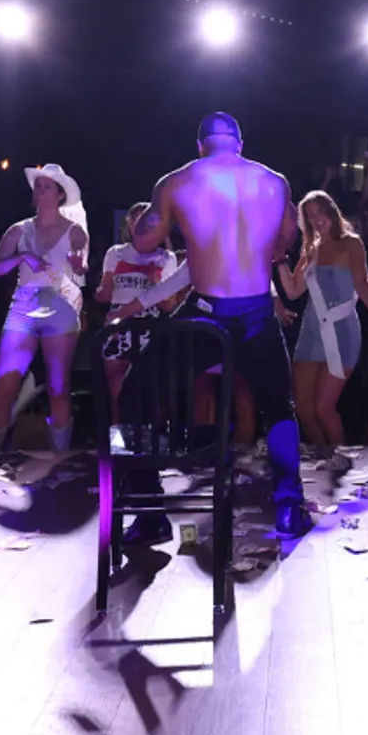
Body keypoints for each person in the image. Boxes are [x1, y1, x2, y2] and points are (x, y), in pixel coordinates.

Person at [130, 111, 311, 540]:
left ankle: (151, 512)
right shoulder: (274, 181)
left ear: (200, 145)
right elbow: (287, 235)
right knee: (277, 405)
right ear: (240, 144)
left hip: (206, 310)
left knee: (139, 394)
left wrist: (176, 217)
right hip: (255, 308)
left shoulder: (178, 180)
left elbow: (142, 240)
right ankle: (289, 507)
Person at [0, 164, 89, 453]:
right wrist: (22, 257)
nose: (40, 191)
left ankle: (59, 459)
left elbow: (81, 269)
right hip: (23, 306)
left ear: (60, 195)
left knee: (58, 388)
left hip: (60, 305)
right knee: (3, 387)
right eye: (38, 186)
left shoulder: (75, 231)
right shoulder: (18, 230)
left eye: (47, 187)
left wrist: (78, 266)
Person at [277, 189, 368, 451]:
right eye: (310, 217)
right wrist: (279, 260)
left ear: (331, 210)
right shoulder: (310, 249)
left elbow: (362, 282)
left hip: (342, 330)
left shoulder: (352, 243)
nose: (316, 219)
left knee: (324, 408)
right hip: (311, 331)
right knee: (303, 408)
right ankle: (325, 455)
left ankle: (340, 458)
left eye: (320, 212)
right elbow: (294, 291)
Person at [94, 200, 183, 419]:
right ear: (130, 224)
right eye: (139, 220)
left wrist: (155, 282)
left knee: (152, 387)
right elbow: (105, 291)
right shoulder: (115, 253)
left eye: (150, 220)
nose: (145, 226)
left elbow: (168, 304)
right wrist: (99, 293)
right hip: (118, 324)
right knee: (117, 387)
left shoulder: (166, 258)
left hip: (150, 324)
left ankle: (153, 442)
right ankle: (118, 441)